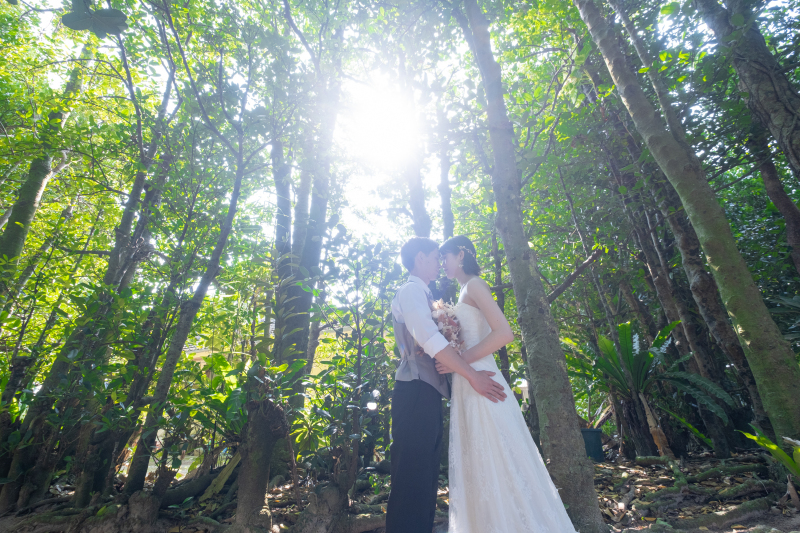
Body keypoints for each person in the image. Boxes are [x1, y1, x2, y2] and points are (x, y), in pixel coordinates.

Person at [436, 235, 578, 533]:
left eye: (445, 257)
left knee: (499, 451)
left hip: (480, 377)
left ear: (460, 255)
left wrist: (458, 358)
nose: (442, 264)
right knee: (478, 458)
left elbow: (504, 333)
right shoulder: (464, 289)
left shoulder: (474, 285)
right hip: (467, 380)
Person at [386, 237, 507, 533]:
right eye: (433, 256)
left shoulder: (427, 295)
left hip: (429, 392)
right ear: (419, 259)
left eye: (443, 257)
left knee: (426, 476)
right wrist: (471, 375)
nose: (439, 262)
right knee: (411, 476)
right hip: (413, 390)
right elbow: (430, 340)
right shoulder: (411, 291)